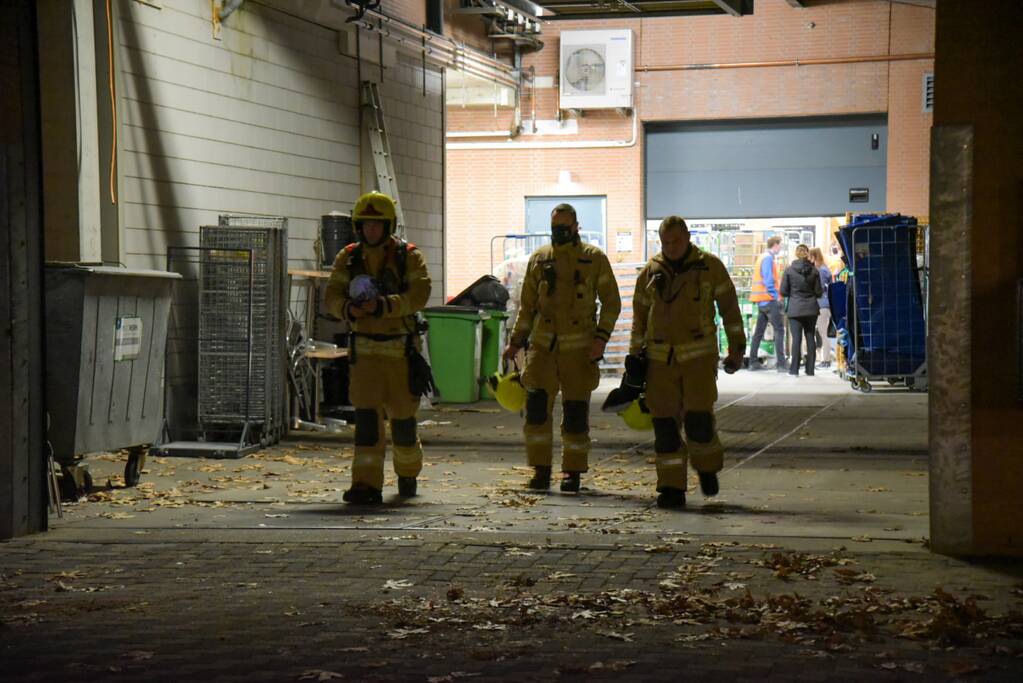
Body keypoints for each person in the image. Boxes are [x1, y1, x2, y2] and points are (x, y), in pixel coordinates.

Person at [502, 203, 621, 493]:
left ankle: (572, 472)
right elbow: (527, 306)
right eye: (555, 229)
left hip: (579, 354)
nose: (560, 234)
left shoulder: (594, 260)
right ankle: (541, 470)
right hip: (542, 351)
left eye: (565, 229)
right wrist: (516, 342)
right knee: (537, 414)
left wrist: (600, 339)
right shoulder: (540, 260)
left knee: (576, 415)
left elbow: (612, 303)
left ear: (576, 227)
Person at [629, 216, 746, 508]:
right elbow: (639, 317)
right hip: (659, 363)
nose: (671, 248)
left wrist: (736, 349)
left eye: (676, 242)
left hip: (698, 360)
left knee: (699, 422)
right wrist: (634, 356)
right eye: (666, 242)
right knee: (665, 427)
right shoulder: (651, 271)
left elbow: (730, 310)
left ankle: (707, 468)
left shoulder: (709, 267)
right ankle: (671, 488)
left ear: (687, 238)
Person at [324, 191, 432, 505]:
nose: (371, 230)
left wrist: (384, 305)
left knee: (402, 422)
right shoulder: (348, 257)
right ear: (359, 226)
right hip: (365, 357)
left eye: (377, 225)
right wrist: (347, 308)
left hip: (400, 353)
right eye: (366, 225)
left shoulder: (407, 256)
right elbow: (331, 295)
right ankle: (365, 486)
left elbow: (420, 294)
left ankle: (408, 473)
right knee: (368, 423)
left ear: (388, 226)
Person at [780, 244, 823, 376]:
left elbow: (783, 291)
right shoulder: (814, 270)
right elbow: (819, 292)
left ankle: (794, 369)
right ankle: (810, 370)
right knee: (810, 337)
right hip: (811, 309)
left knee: (796, 339)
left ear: (796, 254)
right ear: (807, 253)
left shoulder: (789, 270)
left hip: (795, 309)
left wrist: (794, 294)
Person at [748, 236, 787, 371]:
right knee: (779, 330)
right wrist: (776, 296)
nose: (781, 248)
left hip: (761, 302)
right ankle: (781, 364)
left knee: (758, 332)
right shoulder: (768, 258)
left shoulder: (761, 257)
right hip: (769, 300)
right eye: (780, 245)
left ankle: (753, 362)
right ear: (775, 245)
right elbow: (768, 279)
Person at [809, 247, 833, 368]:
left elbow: (819, 289)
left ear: (813, 257)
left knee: (823, 333)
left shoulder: (821, 271)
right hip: (823, 305)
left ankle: (826, 360)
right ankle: (825, 359)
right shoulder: (823, 269)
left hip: (822, 305)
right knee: (822, 333)